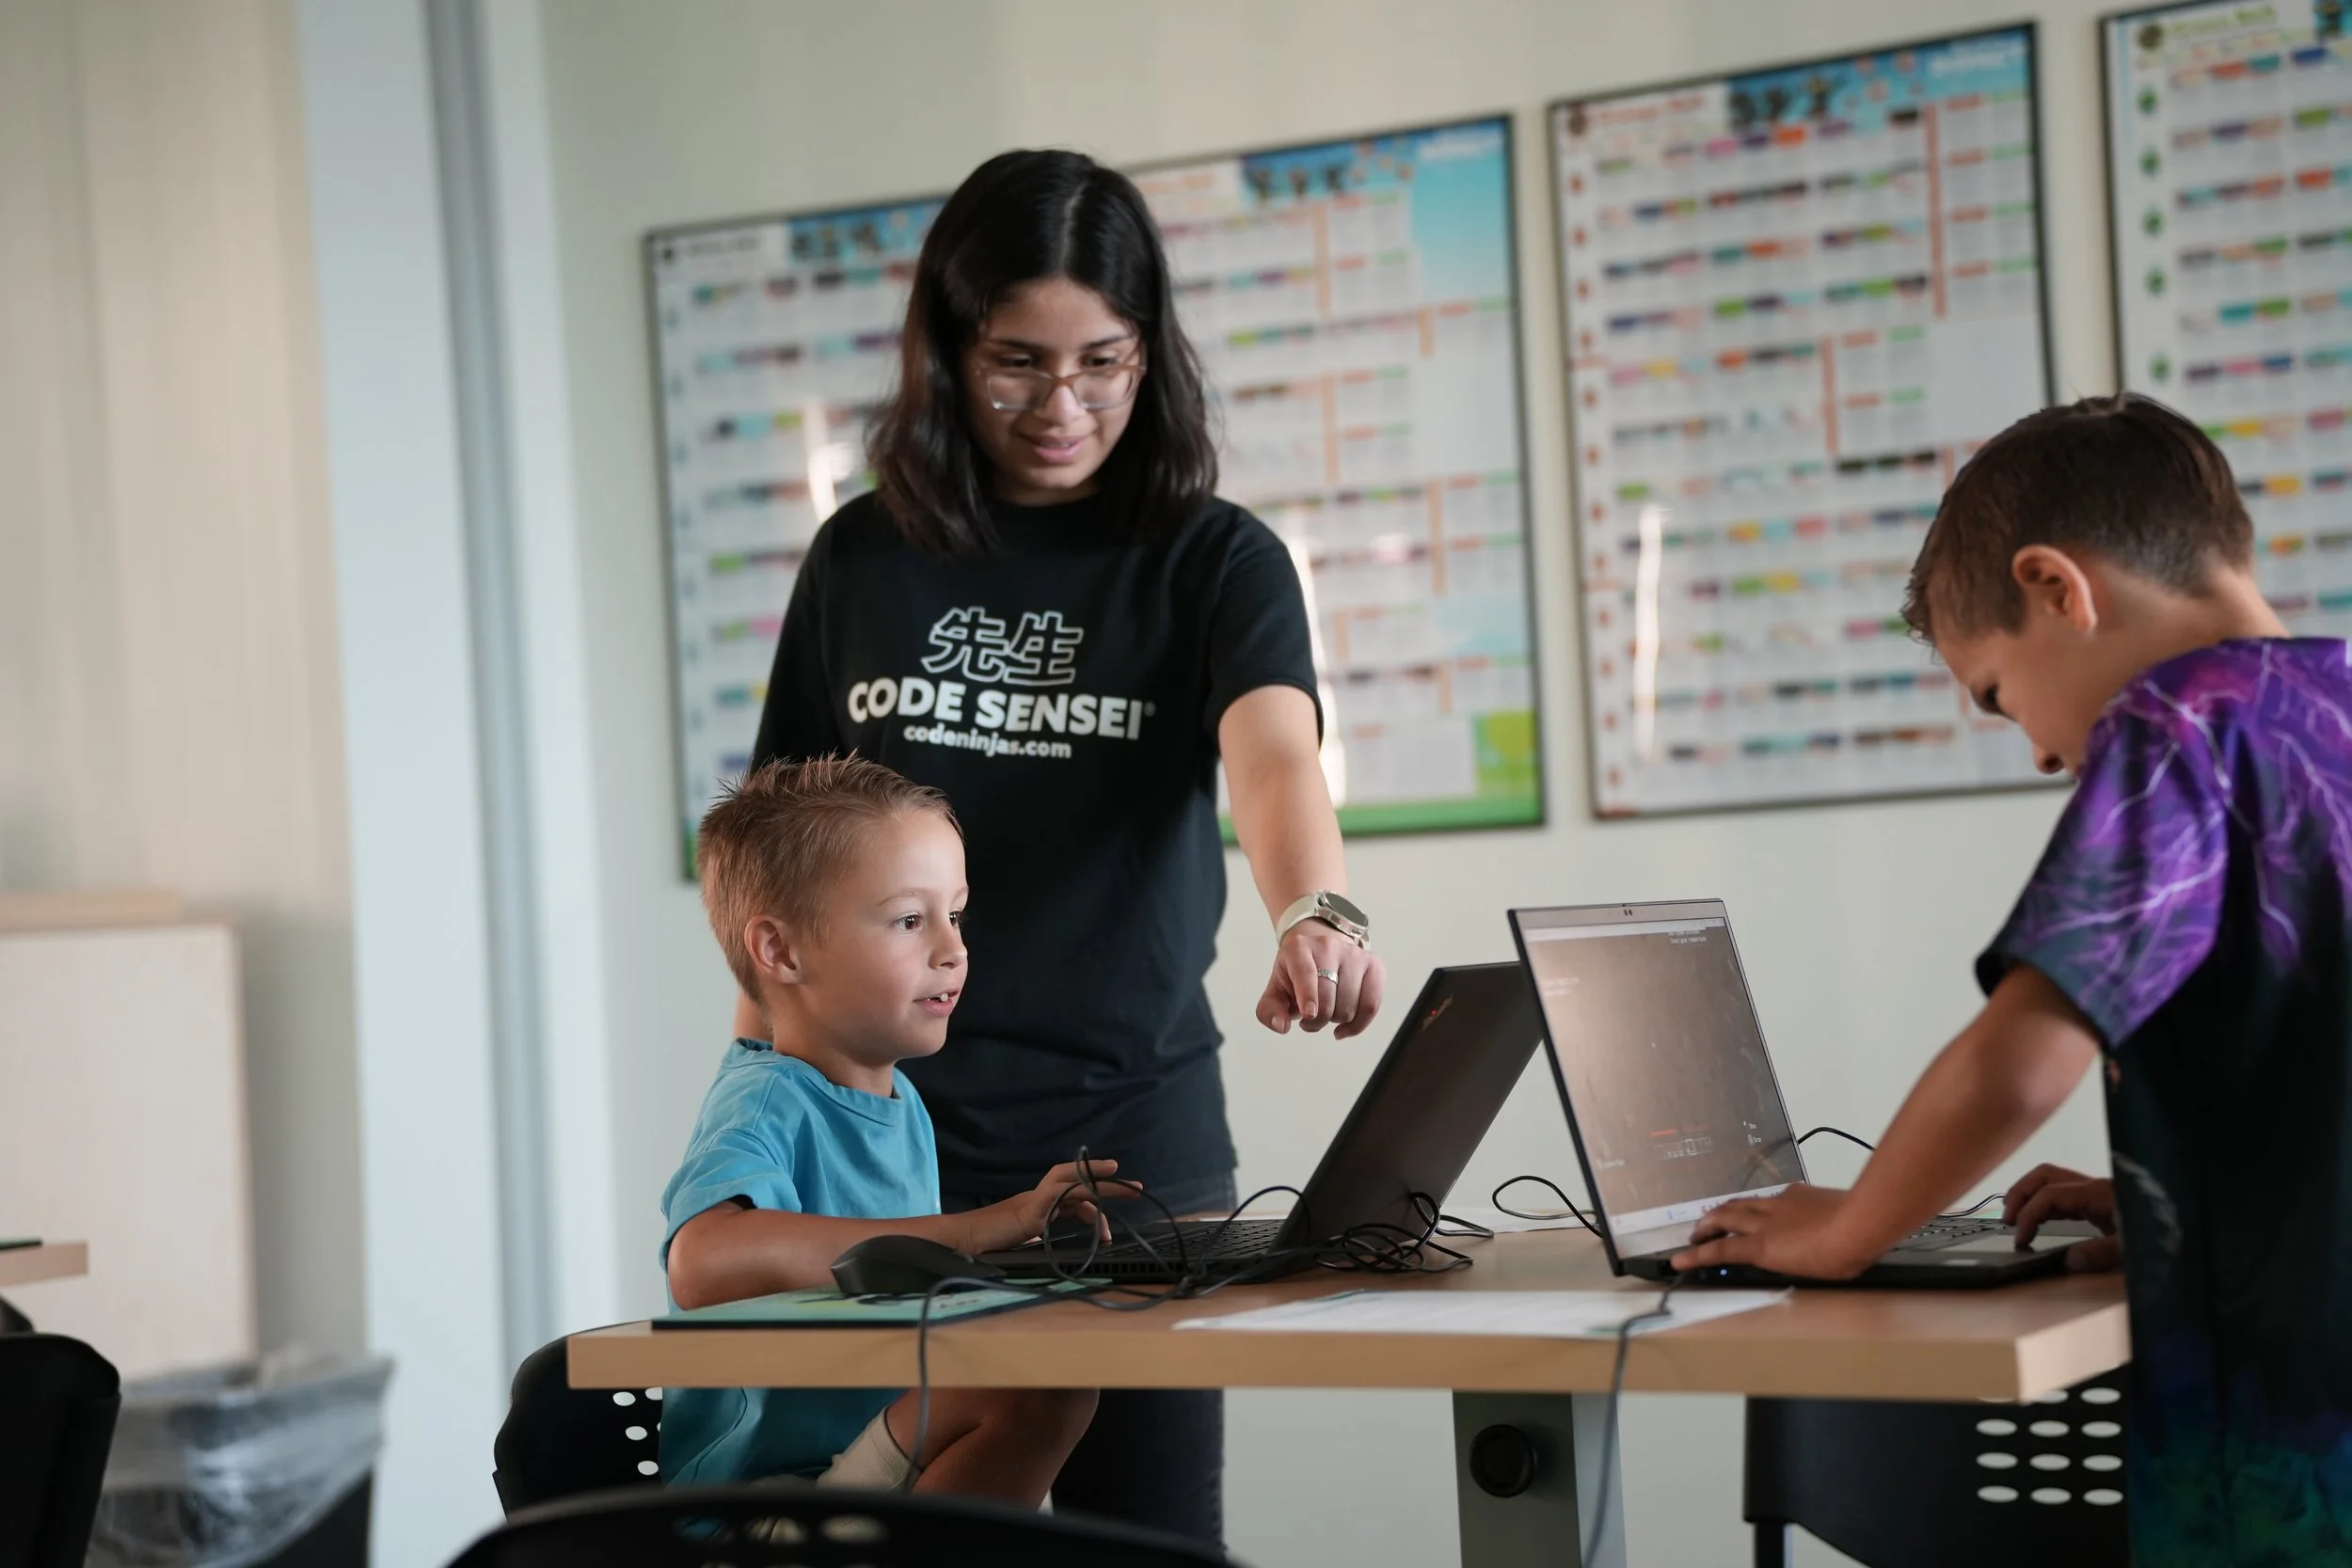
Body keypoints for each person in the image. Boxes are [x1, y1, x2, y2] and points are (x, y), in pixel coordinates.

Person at [740, 148, 1388, 1541]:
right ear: (948, 353)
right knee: (890, 1533)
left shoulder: (1213, 559)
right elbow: (766, 866)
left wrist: (1316, 909)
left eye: (1104, 361)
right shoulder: (863, 559)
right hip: (890, 1142)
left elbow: (1273, 757)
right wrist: (763, 1120)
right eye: (1016, 362)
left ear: (1151, 355)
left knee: (1143, 1539)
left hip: (1128, 1147)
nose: (1063, 405)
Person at [1671, 393, 2352, 1566]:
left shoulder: (2179, 728)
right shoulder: (2329, 707)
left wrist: (1848, 1229)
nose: (2038, 748)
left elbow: (2024, 1054)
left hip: (2286, 1452)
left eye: (1994, 691)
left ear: (2056, 587)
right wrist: (2170, 1210)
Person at [661, 755, 1107, 1501]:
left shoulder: (901, 1104)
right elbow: (702, 1261)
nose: (952, 948)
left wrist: (1017, 1258)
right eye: (909, 919)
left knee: (1049, 1377)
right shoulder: (767, 1098)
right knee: (1034, 1389)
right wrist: (970, 1231)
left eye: (954, 913)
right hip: (766, 1505)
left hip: (866, 1458)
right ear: (781, 951)